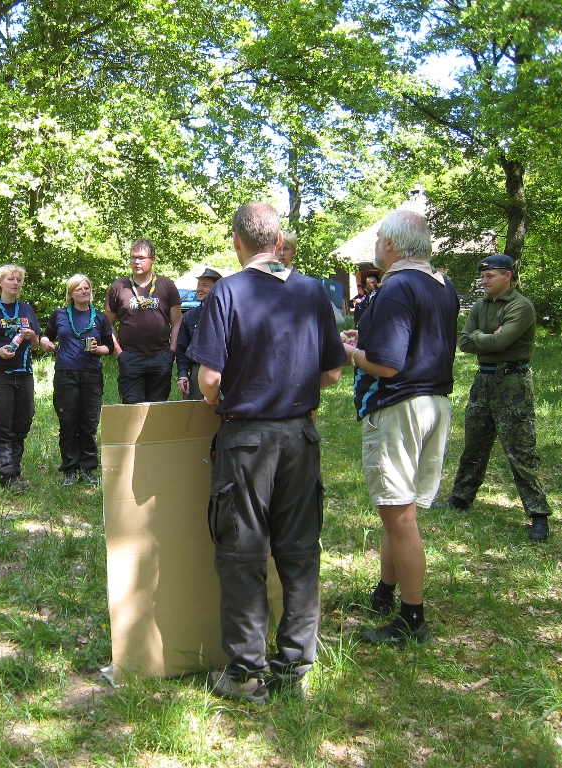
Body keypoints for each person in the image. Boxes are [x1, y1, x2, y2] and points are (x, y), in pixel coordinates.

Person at [189, 203, 347, 704]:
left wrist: (219, 397)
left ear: (238, 241)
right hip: (301, 437)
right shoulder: (313, 291)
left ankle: (246, 674)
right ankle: (295, 667)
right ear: (278, 241)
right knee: (299, 551)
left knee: (243, 553)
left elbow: (210, 378)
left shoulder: (228, 291)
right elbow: (333, 372)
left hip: (247, 441)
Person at [340, 210, 459, 645]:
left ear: (391, 244)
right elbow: (416, 344)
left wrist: (347, 352)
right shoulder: (441, 285)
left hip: (398, 408)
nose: (375, 246)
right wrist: (365, 341)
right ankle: (385, 592)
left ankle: (412, 619)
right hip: (434, 404)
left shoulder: (396, 286)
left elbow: (387, 366)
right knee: (399, 509)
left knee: (400, 515)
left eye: (378, 239)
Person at [433, 254, 552, 542]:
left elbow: (501, 341)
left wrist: (482, 337)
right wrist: (487, 337)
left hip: (512, 382)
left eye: (490, 276)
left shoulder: (520, 306)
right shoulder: (480, 305)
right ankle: (461, 497)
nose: (484, 281)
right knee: (475, 442)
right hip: (483, 380)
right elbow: (464, 342)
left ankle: (538, 513)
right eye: (482, 277)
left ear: (507, 275)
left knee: (520, 449)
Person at [0, 264, 42, 492]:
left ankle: (15, 471)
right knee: (3, 424)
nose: (15, 283)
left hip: (24, 375)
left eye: (19, 280)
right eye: (11, 279)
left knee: (23, 422)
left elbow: (36, 344)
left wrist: (31, 336)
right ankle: (7, 476)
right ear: (0, 282)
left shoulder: (27, 309)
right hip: (0, 375)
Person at [39, 275, 114, 486]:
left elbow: (109, 348)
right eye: (78, 289)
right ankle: (70, 468)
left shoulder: (99, 317)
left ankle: (88, 468)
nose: (83, 291)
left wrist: (98, 349)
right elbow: (46, 336)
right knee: (68, 422)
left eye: (86, 288)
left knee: (89, 423)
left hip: (92, 374)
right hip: (66, 374)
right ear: (71, 293)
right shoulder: (60, 314)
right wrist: (45, 342)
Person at [104, 239, 182, 403]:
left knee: (157, 409)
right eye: (133, 257)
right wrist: (120, 354)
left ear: (152, 259)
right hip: (130, 358)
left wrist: (171, 353)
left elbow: (177, 322)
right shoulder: (118, 287)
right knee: (132, 408)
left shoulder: (167, 285)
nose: (136, 262)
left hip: (161, 357)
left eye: (141, 257)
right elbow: (108, 323)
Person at [175, 268, 222, 400]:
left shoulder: (226, 314)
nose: (200, 289)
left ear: (216, 288)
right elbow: (182, 348)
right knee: (197, 410)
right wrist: (183, 374)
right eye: (198, 285)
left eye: (205, 285)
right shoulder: (190, 316)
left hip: (224, 371)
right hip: (198, 371)